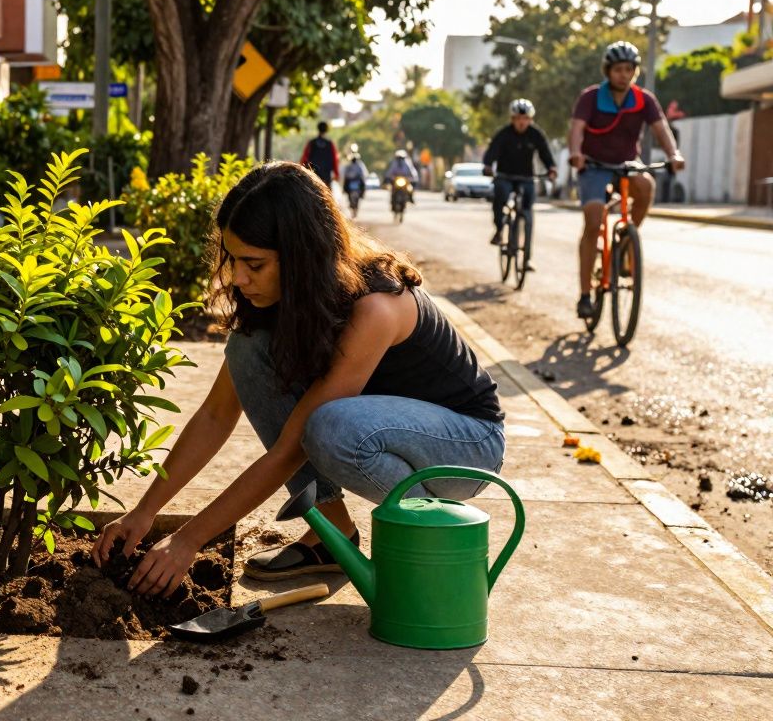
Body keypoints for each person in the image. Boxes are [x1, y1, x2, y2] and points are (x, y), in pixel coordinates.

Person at [90, 162, 506, 593]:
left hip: (467, 448)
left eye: (254, 263)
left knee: (331, 428)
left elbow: (292, 448)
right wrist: (144, 512)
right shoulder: (283, 299)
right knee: (248, 351)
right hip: (386, 429)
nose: (239, 277)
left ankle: (428, 537)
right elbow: (216, 415)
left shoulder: (377, 307)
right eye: (232, 259)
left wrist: (188, 540)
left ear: (302, 255)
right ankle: (331, 534)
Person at [568, 41, 685, 320]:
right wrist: (575, 153)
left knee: (646, 186)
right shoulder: (591, 97)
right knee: (594, 222)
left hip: (626, 164)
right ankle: (585, 294)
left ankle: (625, 240)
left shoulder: (643, 99)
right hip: (594, 165)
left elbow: (661, 129)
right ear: (608, 71)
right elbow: (576, 130)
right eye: (619, 69)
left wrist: (674, 153)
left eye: (629, 70)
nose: (624, 75)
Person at [482, 98, 557, 270]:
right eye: (518, 118)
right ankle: (500, 229)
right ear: (512, 119)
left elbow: (545, 153)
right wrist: (487, 165)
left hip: (527, 177)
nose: (522, 122)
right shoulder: (504, 134)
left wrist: (551, 168)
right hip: (505, 175)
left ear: (530, 119)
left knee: (528, 212)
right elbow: (492, 152)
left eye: (525, 119)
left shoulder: (535, 134)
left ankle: (527, 259)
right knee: (500, 195)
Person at [300, 121, 340, 188]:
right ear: (327, 130)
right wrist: (336, 174)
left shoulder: (311, 143)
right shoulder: (330, 144)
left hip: (313, 175)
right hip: (326, 176)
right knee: (326, 196)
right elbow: (335, 159)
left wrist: (301, 171)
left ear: (318, 129)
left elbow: (304, 158)